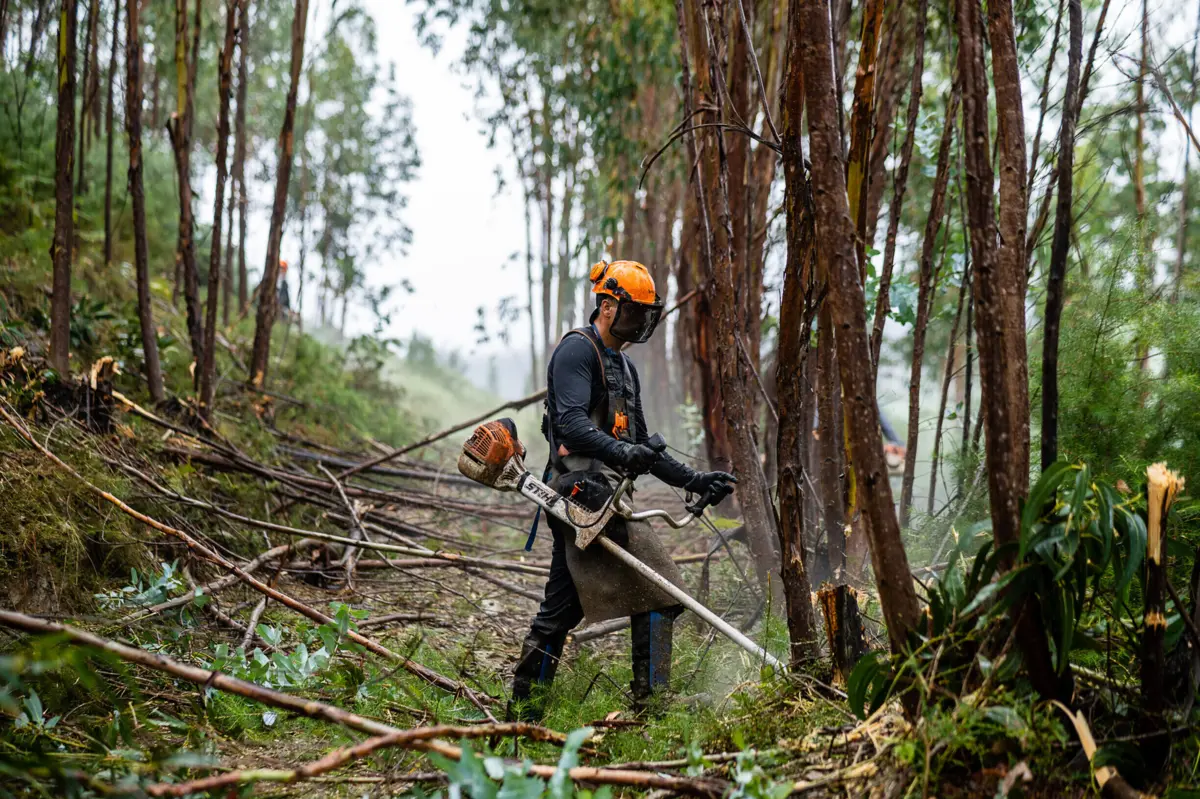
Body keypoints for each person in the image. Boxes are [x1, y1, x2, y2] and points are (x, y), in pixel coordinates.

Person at [508, 260, 736, 721]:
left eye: (648, 314)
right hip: (576, 494)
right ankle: (648, 707)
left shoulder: (625, 368)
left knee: (563, 604)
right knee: (660, 585)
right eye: (636, 311)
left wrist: (694, 481)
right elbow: (571, 424)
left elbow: (642, 447)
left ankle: (525, 711)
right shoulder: (577, 351)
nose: (643, 322)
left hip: (607, 498)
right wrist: (622, 452)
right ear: (608, 306)